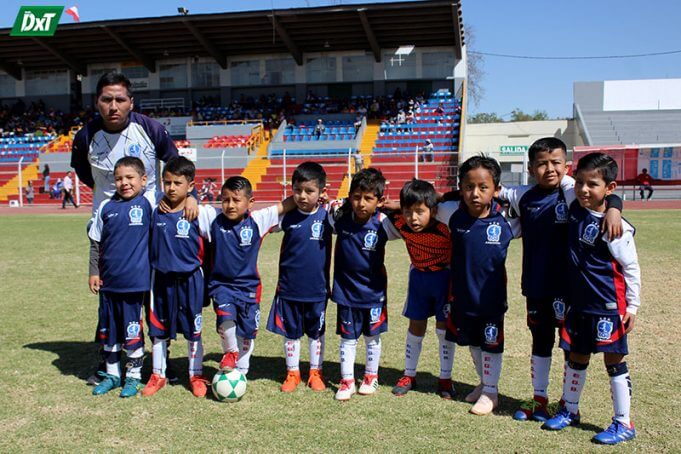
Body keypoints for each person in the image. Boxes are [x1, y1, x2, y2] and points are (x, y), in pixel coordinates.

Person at [71, 72, 196, 386]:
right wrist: (109, 200)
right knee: (112, 300)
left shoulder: (150, 129)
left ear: (131, 102)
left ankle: (158, 364)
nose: (113, 106)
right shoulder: (85, 137)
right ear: (97, 102)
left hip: (151, 224)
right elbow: (86, 175)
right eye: (106, 99)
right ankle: (109, 362)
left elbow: (174, 165)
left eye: (120, 99)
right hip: (112, 226)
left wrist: (188, 196)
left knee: (154, 297)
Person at [496, 137, 623, 422]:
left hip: (569, 290)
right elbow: (491, 189)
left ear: (567, 166)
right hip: (536, 284)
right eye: (542, 164)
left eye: (556, 163)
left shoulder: (570, 190)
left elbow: (604, 191)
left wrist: (615, 207)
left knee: (569, 347)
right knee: (540, 341)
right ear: (530, 168)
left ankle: (567, 404)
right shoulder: (523, 195)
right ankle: (539, 399)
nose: (549, 169)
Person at [542, 152, 640, 445]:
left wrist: (633, 306)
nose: (584, 189)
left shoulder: (616, 228)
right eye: (581, 183)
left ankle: (623, 423)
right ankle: (570, 410)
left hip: (608, 306)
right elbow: (566, 179)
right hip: (578, 305)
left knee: (614, 361)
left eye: (593, 185)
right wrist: (613, 204)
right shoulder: (574, 202)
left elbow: (631, 268)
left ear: (609, 188)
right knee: (576, 357)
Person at [445, 155, 519, 415]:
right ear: (460, 188)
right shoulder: (452, 214)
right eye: (468, 187)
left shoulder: (508, 221)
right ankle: (485, 383)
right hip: (463, 297)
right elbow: (423, 204)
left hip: (491, 298)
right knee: (473, 343)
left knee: (491, 343)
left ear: (496, 189)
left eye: (483, 187)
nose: (475, 193)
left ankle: (491, 392)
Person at [208, 177, 295, 377]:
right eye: (225, 199)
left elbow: (285, 205)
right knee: (226, 319)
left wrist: (314, 198)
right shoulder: (213, 217)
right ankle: (230, 352)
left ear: (250, 202)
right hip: (222, 285)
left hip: (249, 288)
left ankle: (242, 371)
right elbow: (193, 206)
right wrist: (190, 200)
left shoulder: (258, 220)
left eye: (236, 200)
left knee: (246, 332)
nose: (230, 205)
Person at [142, 157, 215, 398]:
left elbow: (215, 239)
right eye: (167, 182)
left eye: (177, 183)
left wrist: (194, 200)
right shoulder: (155, 209)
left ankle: (196, 374)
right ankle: (158, 374)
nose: (171, 188)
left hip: (191, 280)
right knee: (158, 331)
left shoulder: (199, 212)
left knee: (193, 331)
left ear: (190, 185)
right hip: (160, 281)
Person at [87, 157, 157, 398]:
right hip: (108, 284)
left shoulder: (149, 204)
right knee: (109, 332)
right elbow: (96, 242)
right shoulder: (106, 207)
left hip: (135, 284)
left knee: (131, 331)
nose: (124, 183)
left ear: (143, 180)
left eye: (130, 178)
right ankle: (112, 374)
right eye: (119, 178)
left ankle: (134, 377)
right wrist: (94, 272)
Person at [329, 168, 401, 401]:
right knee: (348, 338)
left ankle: (371, 376)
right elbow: (326, 209)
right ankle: (347, 380)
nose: (361, 203)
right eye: (357, 197)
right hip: (346, 292)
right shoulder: (340, 220)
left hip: (373, 293)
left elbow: (409, 223)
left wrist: (397, 206)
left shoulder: (383, 223)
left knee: (372, 337)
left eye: (368, 198)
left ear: (378, 201)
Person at [386, 179, 457, 399]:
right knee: (416, 326)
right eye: (408, 212)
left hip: (444, 279)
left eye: (419, 212)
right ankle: (409, 374)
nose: (413, 218)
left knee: (444, 329)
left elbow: (457, 199)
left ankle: (445, 378)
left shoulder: (446, 225)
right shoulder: (399, 223)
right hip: (418, 279)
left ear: (433, 211)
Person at [266, 162, 332, 393]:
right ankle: (292, 372)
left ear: (322, 192)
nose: (302, 196)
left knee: (316, 332)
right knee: (291, 333)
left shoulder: (328, 217)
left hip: (318, 289)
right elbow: (261, 222)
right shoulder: (286, 217)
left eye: (309, 191)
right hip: (289, 288)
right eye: (297, 190)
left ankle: (316, 371)